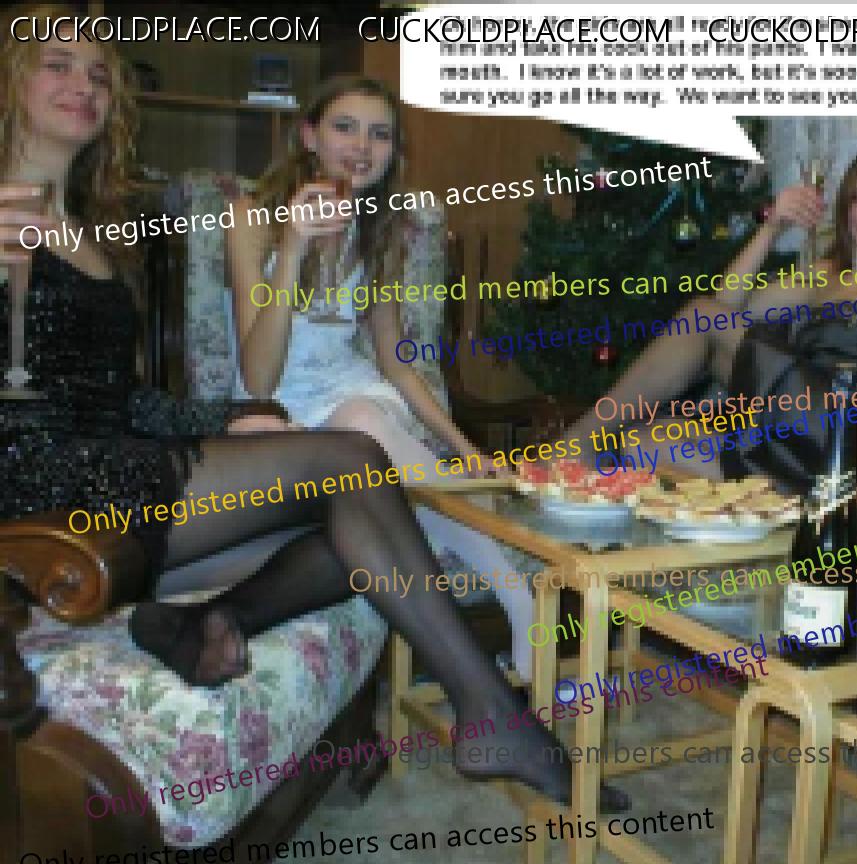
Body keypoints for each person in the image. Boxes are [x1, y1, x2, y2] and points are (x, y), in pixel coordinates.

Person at [0, 12, 624, 811]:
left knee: (349, 531)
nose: (83, 85)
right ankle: (492, 712)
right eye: (57, 64)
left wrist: (226, 419)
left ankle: (208, 623)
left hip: (116, 471)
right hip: (50, 496)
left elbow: (114, 396)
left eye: (97, 73)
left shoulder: (84, 227)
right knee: (354, 459)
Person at [226, 75, 538, 680]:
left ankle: (514, 604)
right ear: (309, 136)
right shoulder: (253, 218)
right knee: (369, 441)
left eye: (380, 135)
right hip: (275, 408)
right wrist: (292, 249)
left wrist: (463, 448)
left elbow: (396, 362)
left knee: (366, 418)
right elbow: (258, 379)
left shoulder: (380, 231)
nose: (362, 147)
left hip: (352, 394)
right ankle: (495, 612)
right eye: (344, 128)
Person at [565, 139, 857, 512]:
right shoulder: (825, 274)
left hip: (844, 434)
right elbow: (726, 304)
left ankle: (578, 440)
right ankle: (783, 507)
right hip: (792, 436)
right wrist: (771, 229)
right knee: (643, 443)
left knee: (703, 316)